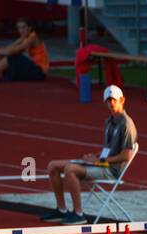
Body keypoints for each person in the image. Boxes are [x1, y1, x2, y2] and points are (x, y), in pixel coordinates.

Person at [41, 85, 138, 226]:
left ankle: (78, 213)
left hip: (110, 170)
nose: (111, 103)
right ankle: (61, 209)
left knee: (70, 169)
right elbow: (108, 149)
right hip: (101, 163)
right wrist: (94, 157)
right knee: (53, 166)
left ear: (122, 100)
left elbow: (126, 156)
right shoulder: (109, 122)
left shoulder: (127, 124)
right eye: (108, 101)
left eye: (114, 100)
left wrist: (101, 160)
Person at [0, 17, 48, 82]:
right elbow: (9, 47)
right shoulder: (23, 38)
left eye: (23, 27)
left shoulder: (32, 38)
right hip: (33, 69)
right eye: (19, 28)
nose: (21, 30)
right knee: (4, 54)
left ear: (29, 28)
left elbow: (13, 50)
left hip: (39, 72)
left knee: (13, 56)